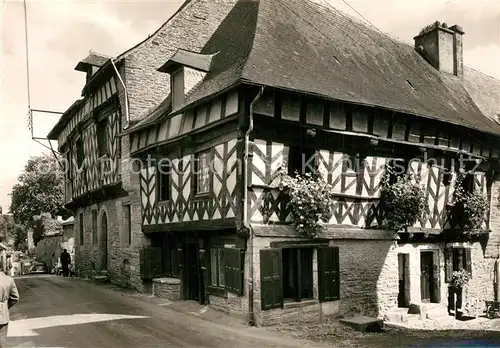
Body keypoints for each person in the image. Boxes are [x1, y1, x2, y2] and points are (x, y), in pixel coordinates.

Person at [0, 258, 19, 348]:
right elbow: (15, 297)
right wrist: (5, 306)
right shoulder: (8, 279)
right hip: (2, 313)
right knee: (1, 341)